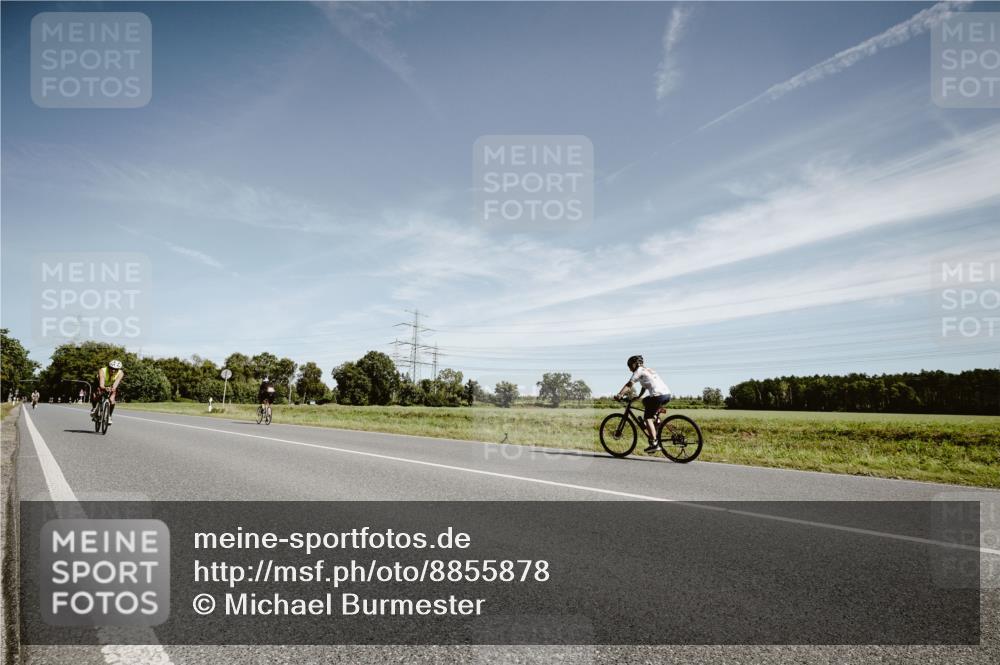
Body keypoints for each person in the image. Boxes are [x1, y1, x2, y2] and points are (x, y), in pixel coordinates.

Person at [616, 355, 672, 453]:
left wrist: (620, 394)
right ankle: (657, 420)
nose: (629, 369)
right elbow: (645, 386)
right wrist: (638, 397)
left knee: (647, 418)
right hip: (666, 394)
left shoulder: (638, 371)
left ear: (635, 364)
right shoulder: (648, 370)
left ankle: (654, 443)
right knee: (645, 401)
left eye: (630, 366)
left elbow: (629, 384)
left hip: (657, 396)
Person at [92, 359, 125, 424]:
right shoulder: (102, 370)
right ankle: (94, 408)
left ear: (118, 369)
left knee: (112, 401)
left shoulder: (121, 373)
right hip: (99, 383)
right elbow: (101, 384)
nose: (113, 370)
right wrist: (104, 388)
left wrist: (113, 389)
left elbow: (116, 383)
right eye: (112, 368)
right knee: (96, 395)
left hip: (110, 385)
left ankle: (109, 416)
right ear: (108, 367)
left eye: (116, 369)